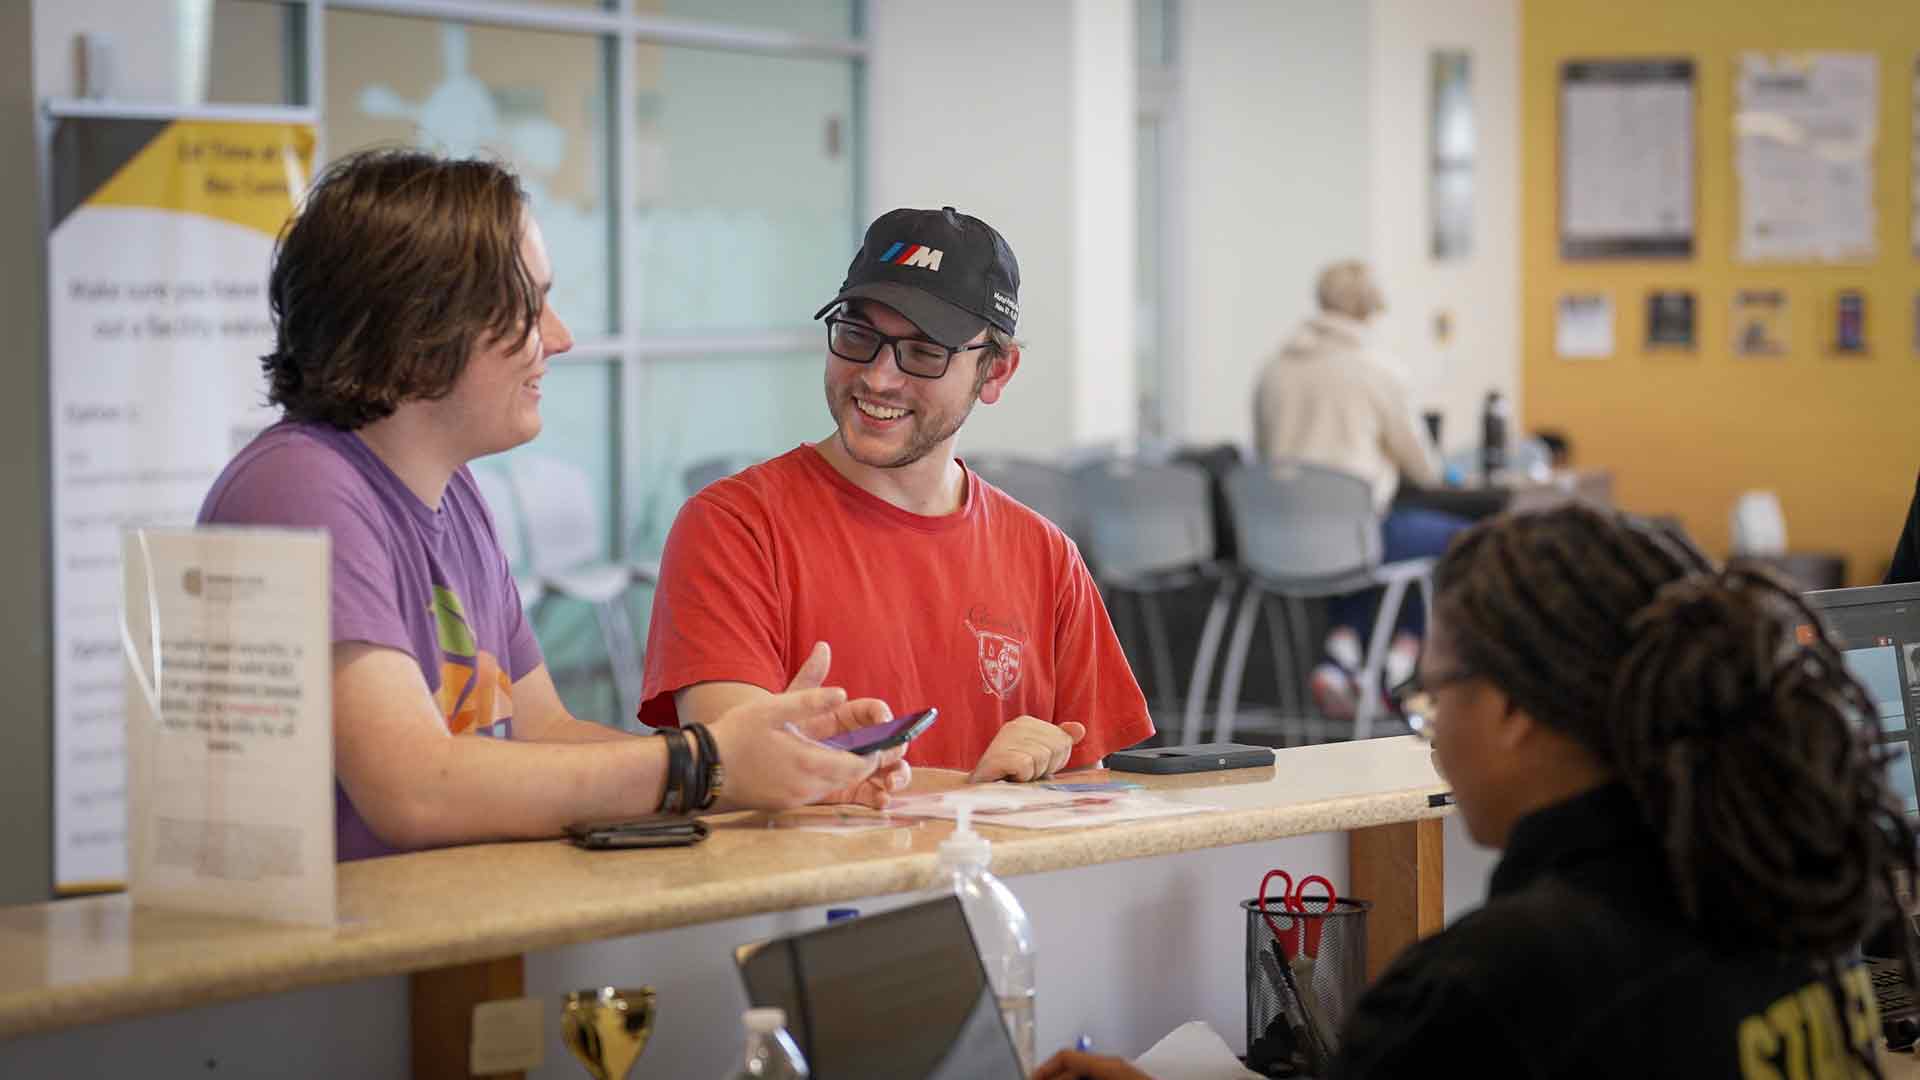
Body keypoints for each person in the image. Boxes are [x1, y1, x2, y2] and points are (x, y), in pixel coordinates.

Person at [1034, 503, 1917, 1079]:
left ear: (1511, 711)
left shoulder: (1489, 988)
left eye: (1433, 695)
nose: (1431, 729)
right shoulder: (1797, 897)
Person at [199, 149, 905, 861]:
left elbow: (544, 735)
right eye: (528, 307)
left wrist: (770, 774)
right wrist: (705, 764)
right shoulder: (296, 489)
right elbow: (413, 789)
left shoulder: (452, 493)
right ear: (419, 330)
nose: (560, 338)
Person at [638, 207, 1152, 781]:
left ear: (996, 373)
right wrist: (973, 793)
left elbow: (1087, 792)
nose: (878, 377)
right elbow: (729, 769)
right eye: (858, 336)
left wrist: (1009, 794)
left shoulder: (1046, 557)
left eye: (925, 352)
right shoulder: (734, 528)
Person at [1251, 259, 1467, 720]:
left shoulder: (1274, 370)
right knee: (1456, 538)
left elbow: (1267, 454)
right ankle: (1403, 656)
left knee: (1366, 542)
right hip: (1354, 538)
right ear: (1373, 308)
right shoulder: (1377, 369)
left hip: (1280, 542)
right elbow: (1425, 469)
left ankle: (1343, 651)